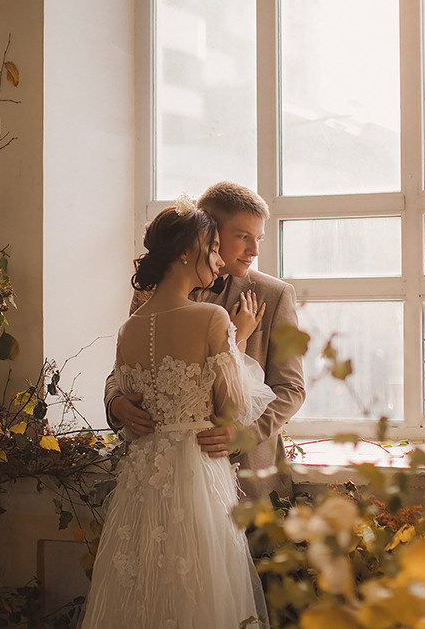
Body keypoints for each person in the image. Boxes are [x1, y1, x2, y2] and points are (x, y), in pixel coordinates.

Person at [81, 200, 271, 628]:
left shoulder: (130, 328)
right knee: (200, 593)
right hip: (197, 473)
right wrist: (237, 339)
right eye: (215, 248)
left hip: (141, 480)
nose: (221, 260)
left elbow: (133, 381)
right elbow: (233, 409)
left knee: (143, 589)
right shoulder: (213, 317)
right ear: (188, 251)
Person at [106, 181, 306, 501]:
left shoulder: (275, 295)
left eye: (259, 238)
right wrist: (115, 404)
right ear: (208, 231)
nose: (254, 250)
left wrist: (246, 434)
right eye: (243, 237)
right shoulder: (151, 291)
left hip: (251, 482)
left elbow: (292, 389)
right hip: (166, 484)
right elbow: (125, 366)